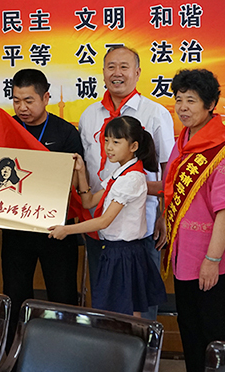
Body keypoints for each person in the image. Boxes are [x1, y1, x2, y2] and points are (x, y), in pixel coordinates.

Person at [163, 69, 225, 372]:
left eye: (191, 101)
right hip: (184, 254)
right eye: (179, 99)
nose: (182, 107)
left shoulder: (224, 150)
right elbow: (171, 190)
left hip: (212, 257)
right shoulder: (183, 141)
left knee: (215, 325)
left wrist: (212, 260)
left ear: (210, 104)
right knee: (189, 323)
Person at [78, 45, 174, 318]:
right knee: (104, 303)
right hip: (97, 226)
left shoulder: (155, 113)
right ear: (103, 72)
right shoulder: (89, 115)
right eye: (111, 67)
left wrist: (164, 215)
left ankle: (143, 346)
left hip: (140, 229)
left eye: (124, 67)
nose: (117, 73)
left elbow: (169, 171)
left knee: (140, 307)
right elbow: (86, 166)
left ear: (138, 72)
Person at [49, 116, 165, 316]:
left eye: (116, 142)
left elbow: (104, 221)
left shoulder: (131, 179)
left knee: (126, 316)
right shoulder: (120, 173)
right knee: (116, 314)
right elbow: (89, 202)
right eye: (106, 140)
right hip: (114, 251)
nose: (109, 147)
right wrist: (81, 172)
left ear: (134, 146)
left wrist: (66, 229)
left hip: (125, 253)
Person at [3, 68, 85, 338]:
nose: (22, 108)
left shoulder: (65, 132)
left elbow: (75, 181)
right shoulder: (7, 128)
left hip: (56, 229)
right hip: (16, 227)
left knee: (62, 295)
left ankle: (63, 349)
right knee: (15, 295)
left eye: (29, 100)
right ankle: (14, 351)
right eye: (16, 100)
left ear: (46, 97)